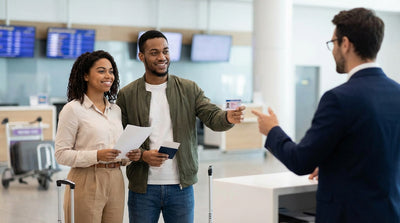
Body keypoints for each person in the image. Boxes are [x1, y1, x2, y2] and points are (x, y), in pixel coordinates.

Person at [252, 8, 400, 223]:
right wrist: (336, 163)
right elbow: (377, 152)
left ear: (346, 44)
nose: (332, 51)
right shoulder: (397, 93)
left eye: (333, 43)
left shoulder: (339, 98)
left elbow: (301, 161)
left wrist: (272, 130)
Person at [116, 30, 245, 223]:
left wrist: (228, 117)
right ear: (141, 56)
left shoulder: (188, 89)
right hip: (143, 188)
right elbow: (121, 138)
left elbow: (211, 116)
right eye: (154, 52)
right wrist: (143, 155)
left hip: (181, 187)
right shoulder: (127, 94)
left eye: (165, 51)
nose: (162, 57)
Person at [55, 50, 141, 223]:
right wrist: (96, 155)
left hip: (116, 179)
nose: (108, 75)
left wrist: (130, 156)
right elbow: (61, 154)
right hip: (86, 179)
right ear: (85, 75)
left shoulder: (115, 110)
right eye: (101, 71)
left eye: (111, 71)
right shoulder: (73, 109)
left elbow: (117, 148)